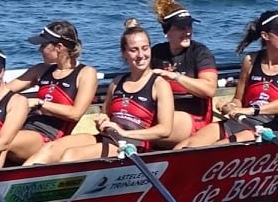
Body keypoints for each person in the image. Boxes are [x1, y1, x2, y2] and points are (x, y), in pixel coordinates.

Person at [40, 19, 178, 163]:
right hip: (109, 139)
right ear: (124, 53)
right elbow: (105, 114)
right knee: (52, 148)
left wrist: (124, 132)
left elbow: (165, 130)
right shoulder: (117, 82)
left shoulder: (159, 85)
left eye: (145, 48)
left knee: (71, 156)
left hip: (132, 145)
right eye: (133, 50)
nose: (141, 55)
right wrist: (102, 120)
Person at [214, 9, 278, 143]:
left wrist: (250, 110)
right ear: (265, 36)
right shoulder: (250, 60)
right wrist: (231, 106)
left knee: (219, 146)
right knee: (189, 145)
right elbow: (238, 99)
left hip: (268, 128)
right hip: (242, 121)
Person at [17, 20, 102, 165]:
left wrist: (40, 103)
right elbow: (4, 91)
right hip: (26, 126)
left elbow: (75, 113)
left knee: (5, 141)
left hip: (48, 136)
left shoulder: (85, 73)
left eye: (43, 45)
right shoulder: (41, 70)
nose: (39, 50)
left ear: (59, 47)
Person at [151, 0, 221, 149]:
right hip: (166, 116)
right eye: (181, 27)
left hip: (196, 119)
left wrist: (175, 77)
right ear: (167, 31)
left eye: (189, 26)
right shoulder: (156, 52)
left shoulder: (200, 52)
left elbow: (209, 89)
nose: (188, 31)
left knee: (146, 124)